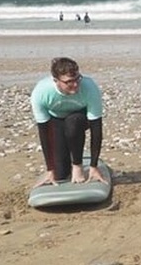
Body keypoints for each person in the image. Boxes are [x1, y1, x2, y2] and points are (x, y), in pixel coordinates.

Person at [30, 57, 107, 186]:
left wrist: (93, 166)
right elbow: (44, 133)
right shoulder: (41, 92)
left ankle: (77, 165)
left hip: (80, 119)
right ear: (56, 80)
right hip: (57, 120)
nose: (75, 85)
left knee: (73, 122)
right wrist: (50, 169)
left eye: (77, 79)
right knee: (60, 174)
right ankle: (66, 163)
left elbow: (96, 129)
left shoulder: (89, 87)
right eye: (69, 82)